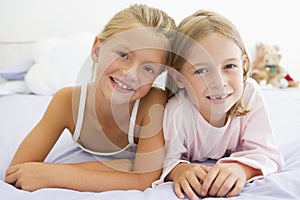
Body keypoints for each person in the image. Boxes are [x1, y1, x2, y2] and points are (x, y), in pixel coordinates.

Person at [5, 4, 176, 192]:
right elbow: (18, 171)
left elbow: (144, 180)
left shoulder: (152, 103)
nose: (130, 74)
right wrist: (123, 167)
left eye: (148, 69)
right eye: (123, 55)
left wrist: (56, 173)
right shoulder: (66, 102)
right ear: (96, 49)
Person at [155, 10, 284, 199]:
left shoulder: (250, 94)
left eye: (229, 66)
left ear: (244, 65)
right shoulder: (177, 111)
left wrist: (242, 169)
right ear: (178, 77)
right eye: (202, 70)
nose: (218, 82)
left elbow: (266, 152)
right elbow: (167, 161)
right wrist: (180, 171)